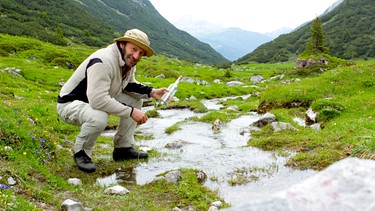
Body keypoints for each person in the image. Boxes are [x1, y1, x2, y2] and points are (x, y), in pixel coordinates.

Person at [57, 29, 168, 173]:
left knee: (135, 100)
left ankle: (123, 148)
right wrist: (130, 112)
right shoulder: (103, 61)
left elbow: (128, 85)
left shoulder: (127, 61)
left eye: (141, 53)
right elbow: (98, 101)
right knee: (99, 117)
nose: (136, 56)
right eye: (133, 49)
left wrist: (152, 92)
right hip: (70, 104)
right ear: (122, 44)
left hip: (93, 101)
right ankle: (82, 153)